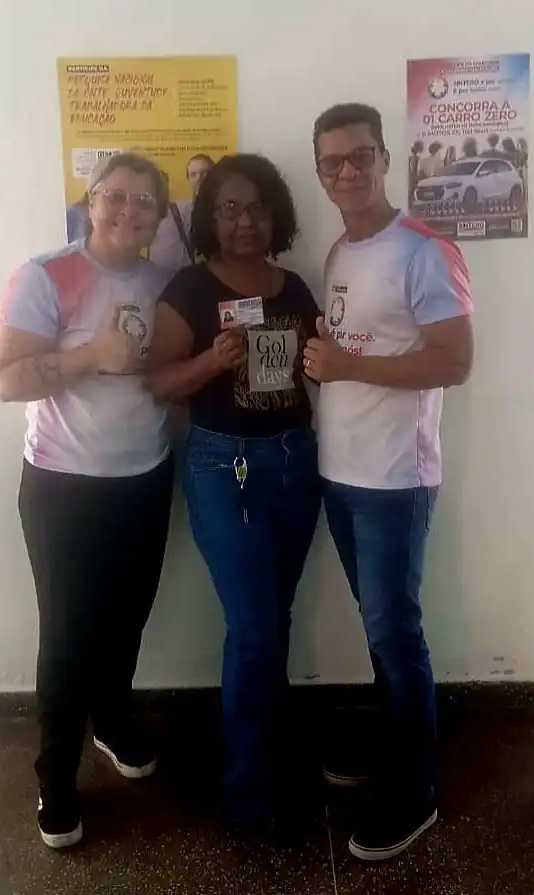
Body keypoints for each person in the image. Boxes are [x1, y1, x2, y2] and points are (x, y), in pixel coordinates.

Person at [306, 104, 473, 861]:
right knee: (381, 633)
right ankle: (395, 749)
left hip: (396, 479)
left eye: (359, 156)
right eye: (331, 161)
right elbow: (353, 348)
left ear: (384, 158)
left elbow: (453, 361)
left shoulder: (426, 250)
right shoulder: (341, 250)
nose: (346, 171)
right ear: (320, 171)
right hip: (340, 472)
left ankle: (416, 790)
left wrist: (347, 365)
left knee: (396, 635)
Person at [0, 152, 174, 850]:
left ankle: (113, 725)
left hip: (146, 479)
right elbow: (7, 379)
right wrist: (88, 356)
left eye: (145, 201)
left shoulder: (165, 282)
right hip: (62, 486)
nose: (128, 210)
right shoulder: (46, 274)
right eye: (114, 196)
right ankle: (56, 775)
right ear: (90, 201)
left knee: (128, 621)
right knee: (68, 637)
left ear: (160, 215)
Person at [149, 153, 322, 833]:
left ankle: (273, 752)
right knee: (252, 628)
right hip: (226, 467)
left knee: (275, 617)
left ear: (275, 214)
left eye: (256, 208)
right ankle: (250, 792)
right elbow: (159, 382)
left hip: (296, 461)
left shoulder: (294, 287)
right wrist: (210, 361)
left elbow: (317, 365)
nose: (245, 221)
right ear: (209, 217)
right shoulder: (189, 287)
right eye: (229, 208)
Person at [149, 153, 215, 270]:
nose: (199, 178)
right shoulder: (160, 213)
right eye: (193, 174)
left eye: (204, 173)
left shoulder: (221, 209)